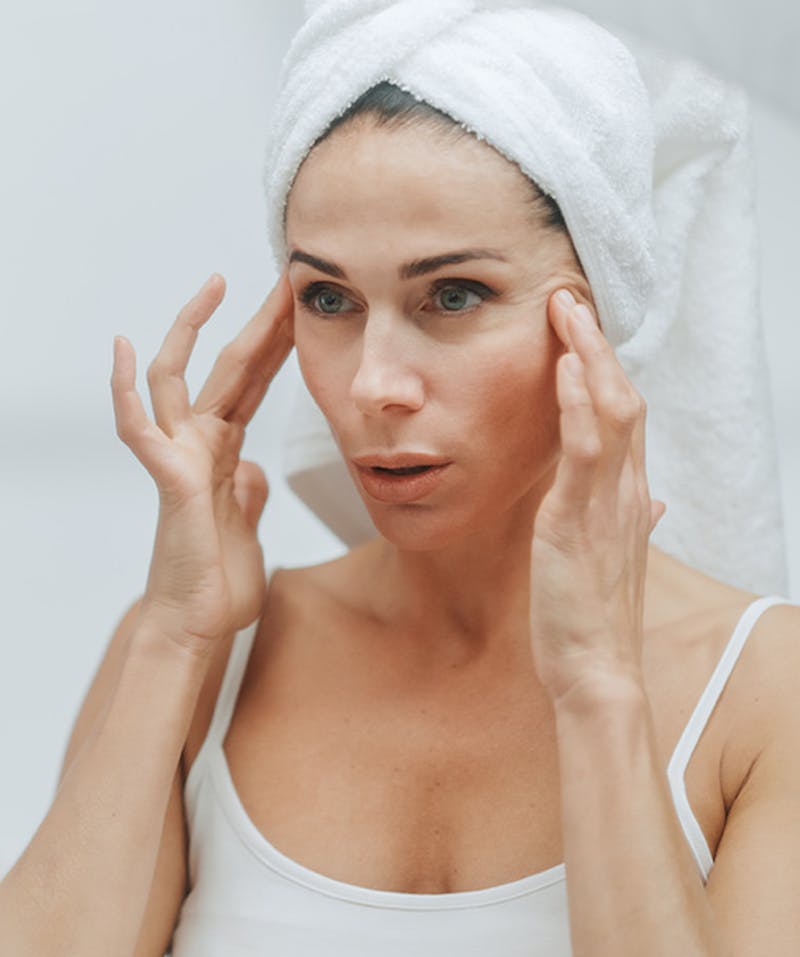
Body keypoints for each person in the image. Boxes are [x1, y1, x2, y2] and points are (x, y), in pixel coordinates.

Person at [2, 4, 798, 956]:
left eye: (453, 294)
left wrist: (597, 690)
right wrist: (172, 638)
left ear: (594, 312)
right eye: (328, 299)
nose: (374, 383)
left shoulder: (762, 690)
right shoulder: (203, 654)